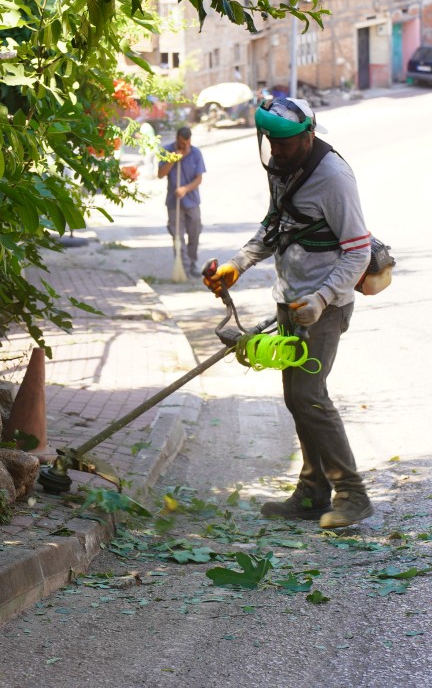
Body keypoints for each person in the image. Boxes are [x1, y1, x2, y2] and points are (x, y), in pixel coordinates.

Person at [203, 98, 374, 528]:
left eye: (285, 145)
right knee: (296, 398)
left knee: (308, 396)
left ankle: (352, 493)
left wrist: (321, 299)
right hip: (291, 301)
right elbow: (277, 223)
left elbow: (358, 251)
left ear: (308, 136)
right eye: (270, 144)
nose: (277, 153)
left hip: (324, 306)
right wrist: (238, 263)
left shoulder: (333, 177)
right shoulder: (284, 168)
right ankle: (313, 491)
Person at [158, 126, 205, 277]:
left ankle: (192, 264)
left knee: (195, 233)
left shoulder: (196, 153)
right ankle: (183, 268)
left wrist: (185, 189)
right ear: (177, 139)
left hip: (192, 201)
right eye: (182, 143)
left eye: (187, 143)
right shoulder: (166, 150)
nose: (185, 147)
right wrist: (172, 160)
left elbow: (199, 179)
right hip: (174, 202)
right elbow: (160, 174)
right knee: (177, 235)